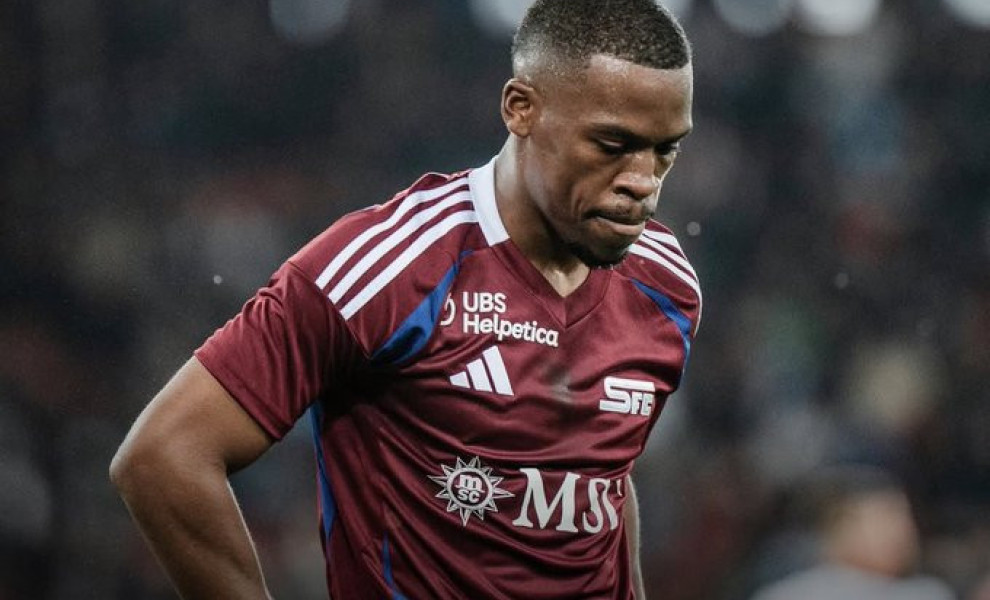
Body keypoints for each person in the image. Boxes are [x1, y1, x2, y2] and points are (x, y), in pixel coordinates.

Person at [109, 0, 700, 597]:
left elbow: (603, 477)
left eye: (666, 150)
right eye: (611, 144)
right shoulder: (388, 267)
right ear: (521, 109)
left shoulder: (667, 284)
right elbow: (162, 457)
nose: (643, 182)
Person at [750, 466, 956, 600]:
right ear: (836, 529)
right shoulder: (791, 596)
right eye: (882, 518)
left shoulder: (928, 593)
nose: (900, 530)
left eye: (903, 516)